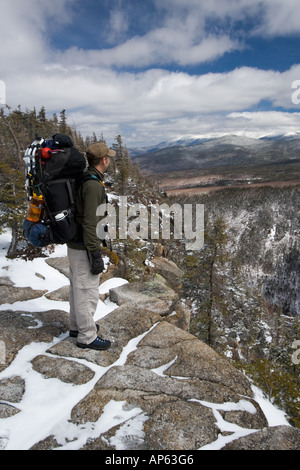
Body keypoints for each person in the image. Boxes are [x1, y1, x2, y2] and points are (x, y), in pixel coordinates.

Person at [67, 142, 116, 350]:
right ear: (104, 160)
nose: (110, 160)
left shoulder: (86, 178)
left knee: (77, 288)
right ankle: (86, 336)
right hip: (84, 246)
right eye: (109, 157)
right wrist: (95, 253)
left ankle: (77, 327)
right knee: (87, 290)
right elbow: (90, 222)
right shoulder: (93, 185)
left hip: (76, 243)